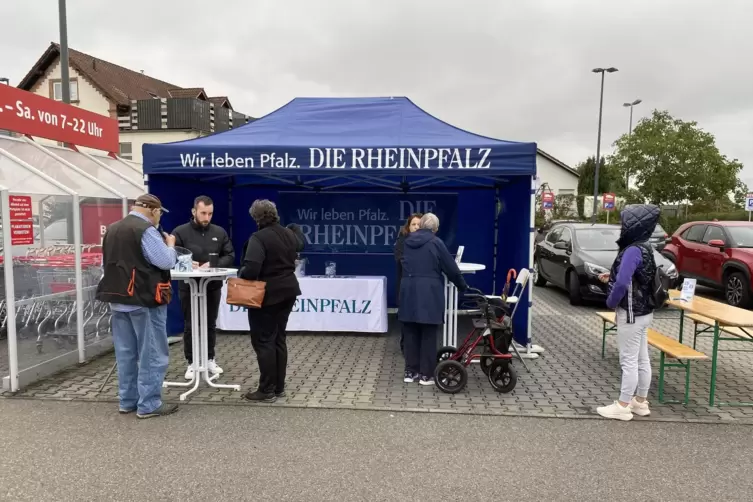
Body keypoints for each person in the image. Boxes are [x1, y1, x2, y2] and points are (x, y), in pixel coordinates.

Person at [96, 194, 178, 419]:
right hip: (144, 299)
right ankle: (149, 404)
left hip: (117, 297)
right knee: (151, 353)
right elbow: (166, 261)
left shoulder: (112, 229)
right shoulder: (146, 230)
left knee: (126, 354)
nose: (160, 216)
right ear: (153, 210)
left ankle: (127, 400)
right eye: (160, 212)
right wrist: (170, 245)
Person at [597, 204, 660, 421]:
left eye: (623, 223)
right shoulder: (646, 247)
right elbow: (637, 278)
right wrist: (611, 277)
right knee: (642, 359)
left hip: (631, 313)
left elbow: (624, 282)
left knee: (629, 360)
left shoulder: (632, 250)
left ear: (632, 225)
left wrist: (611, 301)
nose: (621, 227)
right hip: (645, 313)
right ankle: (640, 402)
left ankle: (623, 405)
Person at [238, 199, 305, 402]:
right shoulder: (288, 234)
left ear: (256, 218)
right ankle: (279, 387)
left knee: (264, 340)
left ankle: (266, 389)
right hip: (289, 291)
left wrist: (240, 271)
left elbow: (251, 269)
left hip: (267, 295)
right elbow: (300, 243)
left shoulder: (258, 238)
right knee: (279, 338)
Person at [399, 213, 467, 385]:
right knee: (428, 333)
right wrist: (462, 286)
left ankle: (410, 372)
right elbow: (451, 268)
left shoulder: (406, 241)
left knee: (410, 332)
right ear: (435, 229)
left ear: (421, 225)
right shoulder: (436, 242)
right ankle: (426, 375)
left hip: (408, 290)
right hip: (429, 292)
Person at [173, 195, 235, 379]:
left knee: (209, 323)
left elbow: (229, 254)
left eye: (210, 213)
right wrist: (185, 263)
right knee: (190, 324)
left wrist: (212, 264)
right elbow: (172, 255)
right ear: (194, 212)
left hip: (212, 285)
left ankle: (209, 358)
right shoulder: (180, 232)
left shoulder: (219, 231)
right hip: (188, 285)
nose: (206, 217)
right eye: (203, 213)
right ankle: (192, 362)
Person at [393, 213, 422, 354]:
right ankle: (405, 345)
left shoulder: (427, 241)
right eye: (413, 224)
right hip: (405, 284)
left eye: (419, 224)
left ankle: (418, 344)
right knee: (406, 317)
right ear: (408, 226)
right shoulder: (402, 241)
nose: (416, 227)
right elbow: (400, 259)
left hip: (421, 286)